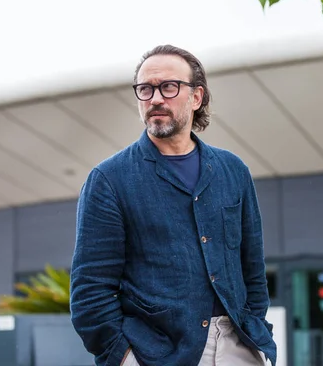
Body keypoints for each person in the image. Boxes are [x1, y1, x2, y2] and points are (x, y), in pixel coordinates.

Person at [70, 44, 277, 366]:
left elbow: (252, 267)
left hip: (239, 345)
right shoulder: (110, 179)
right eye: (145, 89)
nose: (155, 98)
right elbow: (90, 290)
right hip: (156, 353)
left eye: (168, 87)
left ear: (197, 97)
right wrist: (123, 357)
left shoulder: (232, 170)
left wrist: (256, 328)